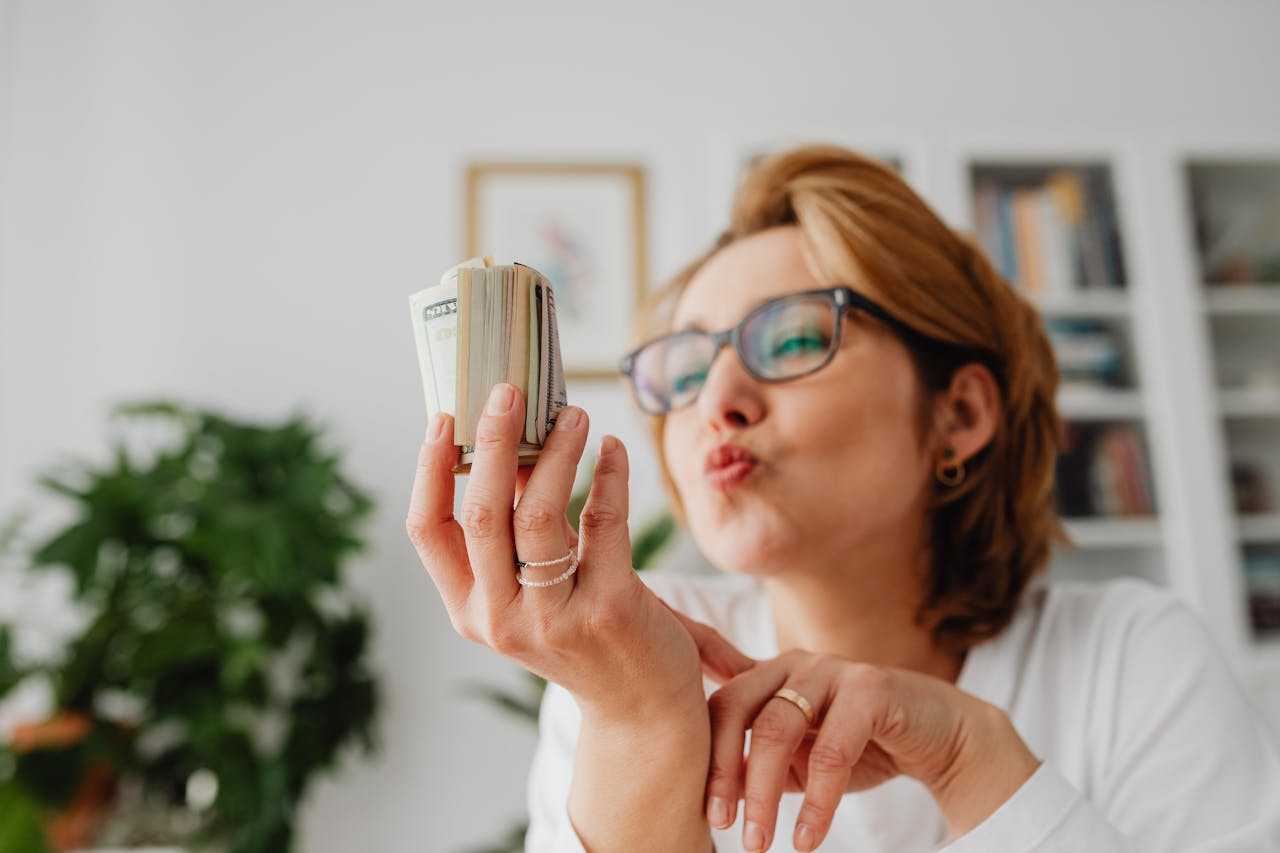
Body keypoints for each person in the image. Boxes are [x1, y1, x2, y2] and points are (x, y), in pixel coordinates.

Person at [406, 145, 1280, 852]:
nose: (717, 401)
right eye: (686, 369)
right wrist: (638, 723)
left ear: (959, 414)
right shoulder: (626, 659)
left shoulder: (1132, 657)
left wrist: (968, 756)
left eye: (792, 339)